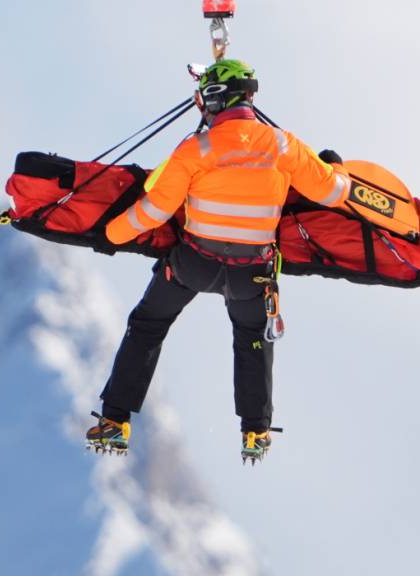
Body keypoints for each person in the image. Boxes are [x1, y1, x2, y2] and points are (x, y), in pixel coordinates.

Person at [85, 59, 352, 461]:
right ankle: (255, 432)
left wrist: (109, 234)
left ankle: (115, 422)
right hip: (252, 275)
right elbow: (335, 194)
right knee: (252, 340)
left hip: (194, 263)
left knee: (148, 325)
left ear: (212, 99)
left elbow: (154, 211)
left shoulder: (197, 149)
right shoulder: (283, 145)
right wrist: (335, 167)